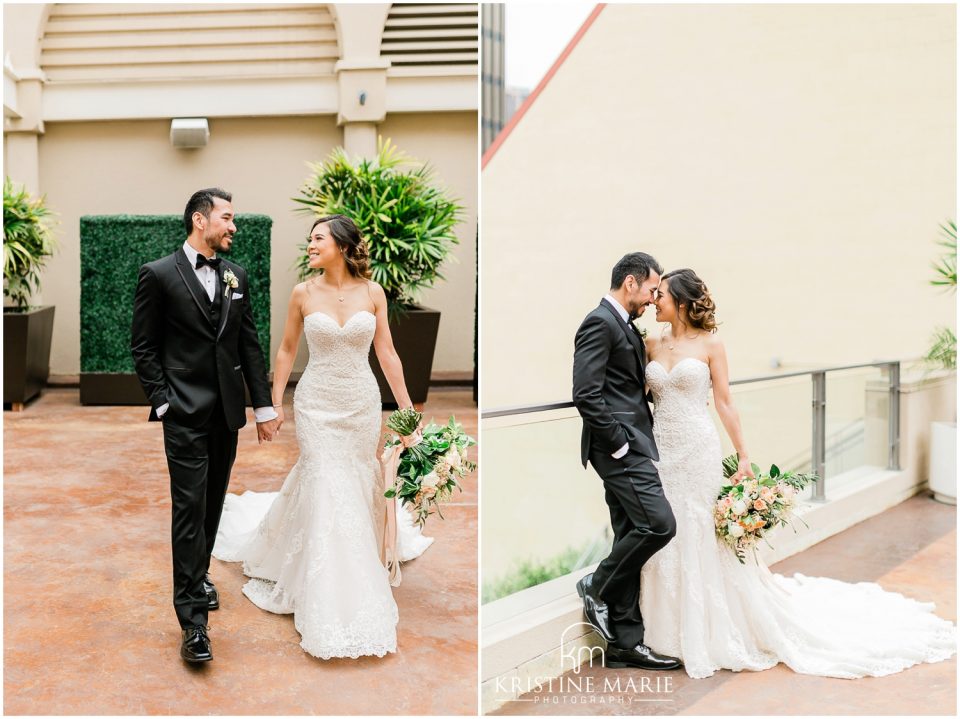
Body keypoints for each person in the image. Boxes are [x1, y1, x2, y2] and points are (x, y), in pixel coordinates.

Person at [639, 267, 957, 678]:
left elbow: (725, 403)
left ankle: (710, 630)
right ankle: (664, 631)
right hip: (662, 454)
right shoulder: (649, 343)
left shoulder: (711, 344)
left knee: (700, 531)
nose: (653, 301)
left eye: (660, 295)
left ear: (680, 301)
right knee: (669, 531)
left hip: (698, 451)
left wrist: (745, 456)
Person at [212, 214, 432, 659]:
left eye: (318, 239)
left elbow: (386, 352)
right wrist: (270, 405)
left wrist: (407, 407)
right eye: (309, 240)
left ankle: (358, 554)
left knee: (352, 476)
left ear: (343, 245)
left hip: (360, 403)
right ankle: (330, 582)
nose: (310, 246)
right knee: (326, 479)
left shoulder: (373, 293)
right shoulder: (302, 293)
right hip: (315, 403)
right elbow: (288, 349)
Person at [131, 187, 281, 663]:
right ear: (200, 220)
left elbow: (249, 345)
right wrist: (163, 402)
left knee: (213, 503)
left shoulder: (237, 275)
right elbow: (143, 346)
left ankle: (198, 575)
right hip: (183, 414)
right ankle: (193, 621)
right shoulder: (157, 274)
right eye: (227, 218)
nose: (234, 226)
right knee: (188, 507)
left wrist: (263, 408)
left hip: (226, 414)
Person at [571, 252, 682, 670]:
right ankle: (594, 584)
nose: (655, 299)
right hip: (619, 449)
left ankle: (624, 641)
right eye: (653, 289)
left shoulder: (626, 327)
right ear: (631, 282)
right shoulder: (599, 322)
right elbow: (587, 392)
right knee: (659, 524)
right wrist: (619, 444)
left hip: (633, 444)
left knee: (629, 532)